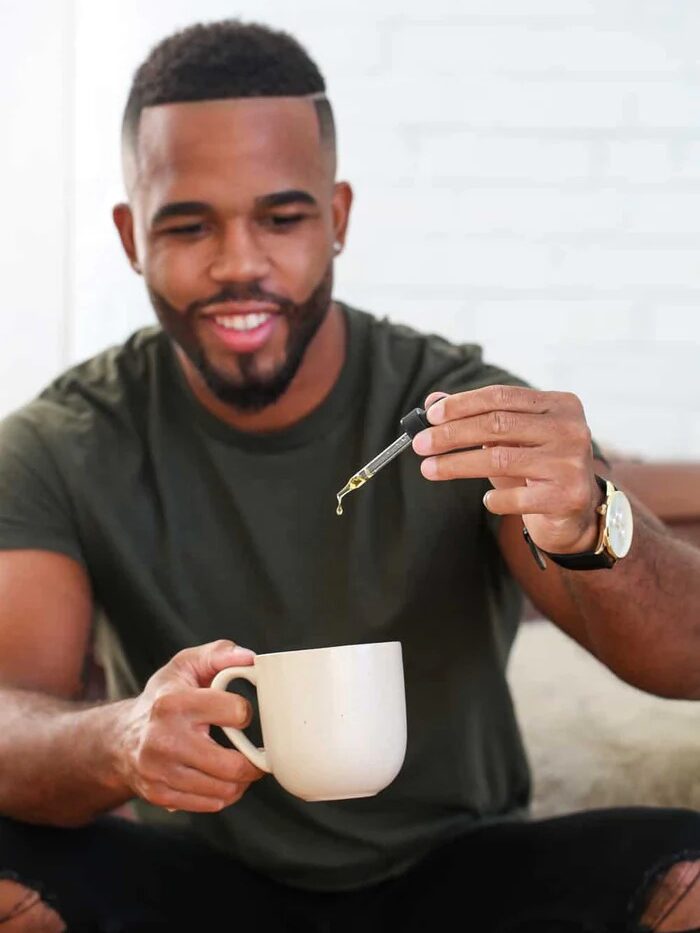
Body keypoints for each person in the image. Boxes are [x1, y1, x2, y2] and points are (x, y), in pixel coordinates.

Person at [0, 18, 698, 933]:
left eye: (282, 218)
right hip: (199, 879)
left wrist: (597, 518)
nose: (240, 263)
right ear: (133, 235)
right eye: (189, 224)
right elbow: (12, 716)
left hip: (460, 870)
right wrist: (119, 738)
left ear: (338, 217)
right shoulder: (61, 440)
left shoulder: (461, 402)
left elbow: (685, 660)